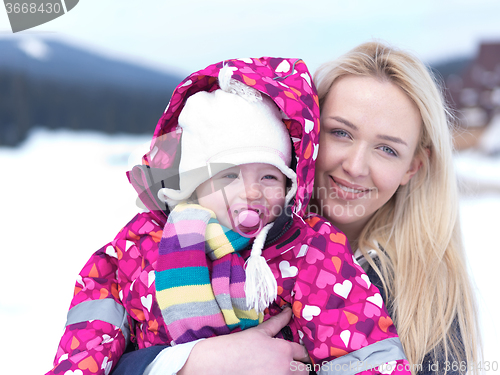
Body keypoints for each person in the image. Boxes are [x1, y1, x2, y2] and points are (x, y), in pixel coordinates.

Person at [45, 57, 412, 375]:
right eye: (228, 176)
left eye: (268, 176)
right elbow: (91, 332)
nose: (251, 191)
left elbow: (359, 349)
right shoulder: (141, 245)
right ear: (194, 184)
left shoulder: (309, 250)